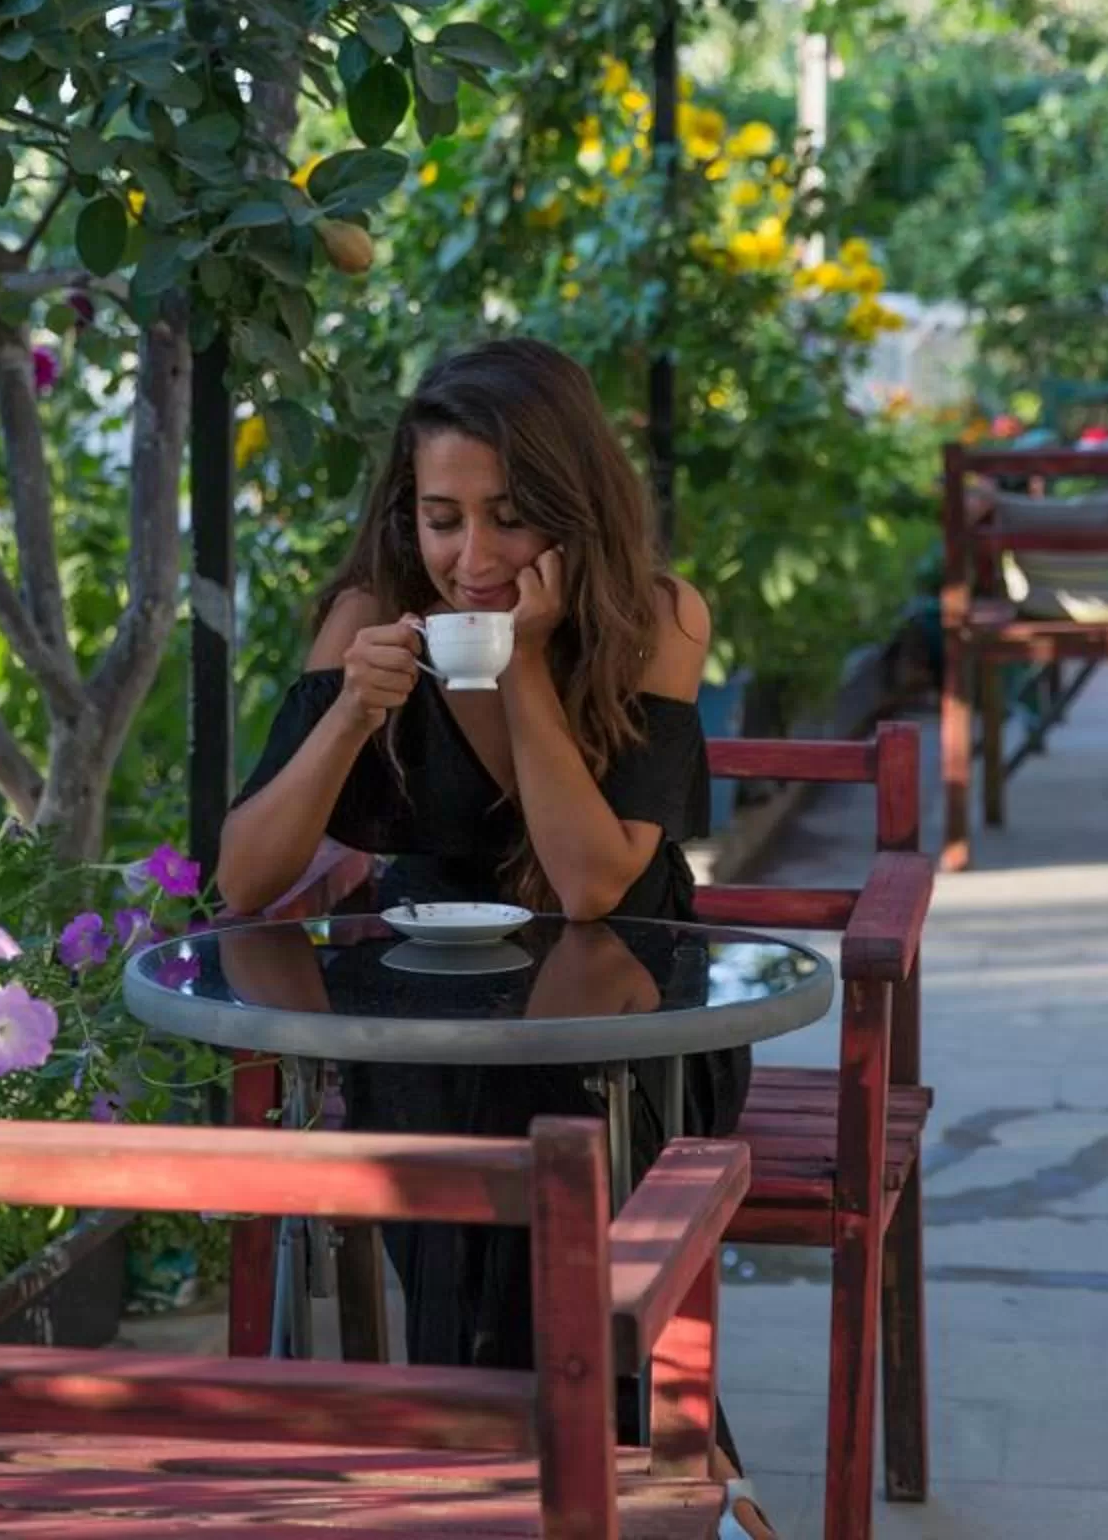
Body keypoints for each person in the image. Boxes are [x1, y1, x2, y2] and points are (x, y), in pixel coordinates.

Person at [218, 337, 773, 1540]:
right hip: (431, 1020)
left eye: (512, 519)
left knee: (550, 1199)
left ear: (572, 510)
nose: (473, 558)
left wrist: (520, 667)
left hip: (630, 1015)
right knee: (484, 1200)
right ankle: (642, 1490)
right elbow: (247, 878)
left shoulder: (655, 617)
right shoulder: (372, 613)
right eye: (443, 518)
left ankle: (558, 1485)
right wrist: (348, 718)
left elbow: (589, 885)